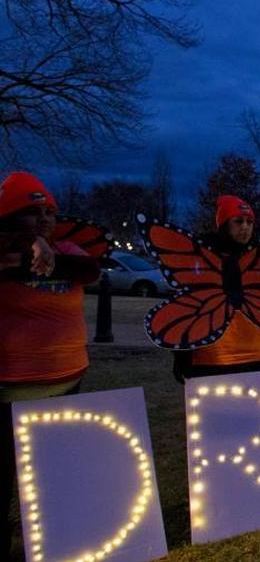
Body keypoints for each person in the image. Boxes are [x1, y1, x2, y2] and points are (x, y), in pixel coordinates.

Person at [0, 172, 100, 559]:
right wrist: (27, 248)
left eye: (50, 213)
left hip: (66, 382)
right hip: (11, 385)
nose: (44, 219)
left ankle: (52, 542)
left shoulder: (69, 251)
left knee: (53, 475)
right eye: (31, 212)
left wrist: (43, 250)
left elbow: (88, 270)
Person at [173, 195, 260, 380]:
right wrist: (182, 354)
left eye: (249, 222)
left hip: (259, 353)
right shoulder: (203, 259)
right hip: (214, 357)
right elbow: (187, 309)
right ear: (224, 224)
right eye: (238, 221)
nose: (245, 227)